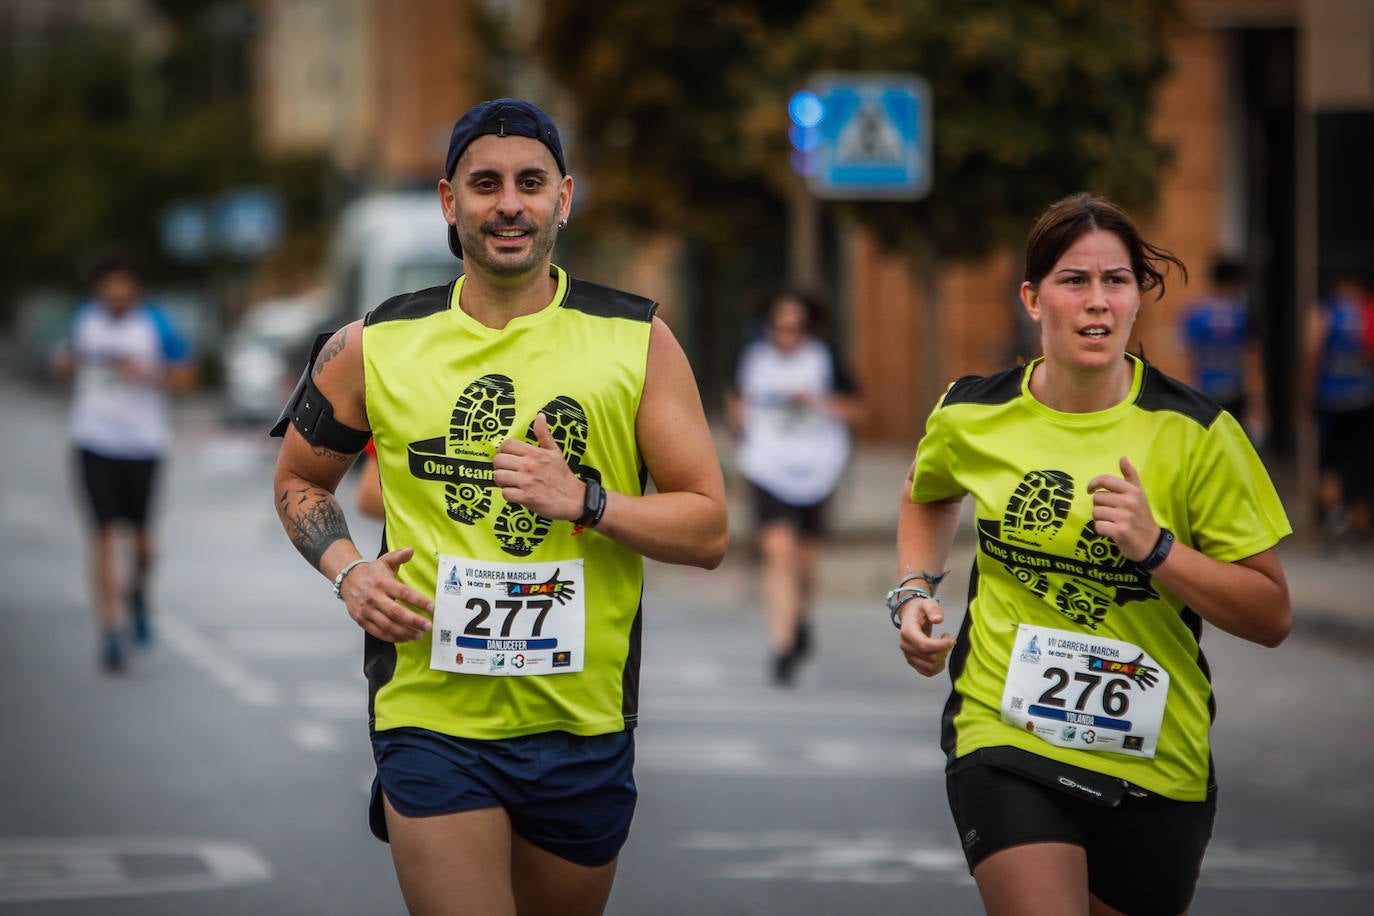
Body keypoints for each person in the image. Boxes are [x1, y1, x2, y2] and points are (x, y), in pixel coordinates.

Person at [270, 98, 728, 916]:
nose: (508, 203)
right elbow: (299, 480)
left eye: (529, 182)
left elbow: (708, 528)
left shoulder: (638, 338)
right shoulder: (373, 344)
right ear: (450, 202)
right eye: (485, 184)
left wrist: (586, 501)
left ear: (564, 197)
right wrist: (348, 575)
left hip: (582, 722)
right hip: (430, 716)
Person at [891, 193, 1291, 916]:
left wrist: (1157, 548)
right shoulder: (971, 412)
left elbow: (1271, 614)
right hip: (1005, 732)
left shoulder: (1198, 434)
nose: (1097, 302)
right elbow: (929, 490)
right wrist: (914, 586)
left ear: (1140, 299)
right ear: (1032, 298)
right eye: (1075, 281)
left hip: (1156, 756)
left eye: (1118, 281)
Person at [54, 255, 196, 673]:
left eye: (123, 285)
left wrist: (149, 374)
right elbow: (62, 364)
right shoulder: (84, 320)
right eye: (108, 285)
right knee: (101, 537)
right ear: (99, 288)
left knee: (140, 542)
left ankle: (137, 596)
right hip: (93, 440)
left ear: (134, 288)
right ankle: (110, 629)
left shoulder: (156, 324)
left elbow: (186, 378)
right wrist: (66, 366)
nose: (115, 293)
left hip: (143, 445)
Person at [726, 286, 861, 685]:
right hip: (767, 468)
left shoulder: (825, 358)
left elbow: (858, 410)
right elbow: (736, 400)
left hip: (818, 468)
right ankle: (782, 644)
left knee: (804, 564)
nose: (787, 335)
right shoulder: (753, 359)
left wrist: (817, 402)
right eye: (779, 326)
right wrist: (741, 428)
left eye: (795, 327)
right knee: (777, 553)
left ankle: (800, 619)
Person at [1300, 273, 1374, 544]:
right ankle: (1358, 524)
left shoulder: (1326, 313)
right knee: (1360, 462)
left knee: (1329, 461)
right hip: (1362, 399)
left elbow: (1312, 355)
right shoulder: (1367, 312)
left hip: (1330, 399)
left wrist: (1306, 395)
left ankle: (1333, 517)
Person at [1176, 256, 1268, 443]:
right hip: (1235, 394)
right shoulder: (1243, 315)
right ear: (1236, 283)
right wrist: (1258, 405)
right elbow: (1252, 362)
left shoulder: (1195, 314)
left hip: (1203, 395)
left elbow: (1187, 360)